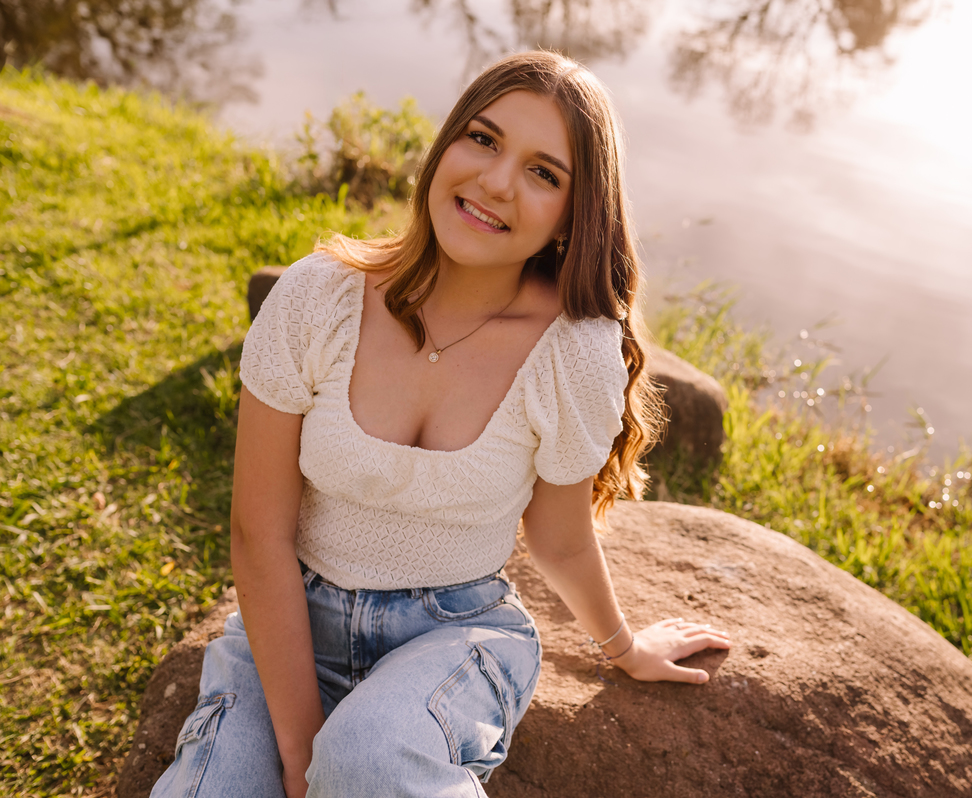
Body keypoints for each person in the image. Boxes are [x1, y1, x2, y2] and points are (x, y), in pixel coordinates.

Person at [150, 50, 731, 798]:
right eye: (484, 140)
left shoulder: (573, 351)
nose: (495, 182)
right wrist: (299, 756)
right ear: (446, 144)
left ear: (571, 216)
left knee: (368, 757)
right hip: (293, 621)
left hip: (453, 635)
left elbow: (557, 534)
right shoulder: (316, 298)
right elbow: (258, 531)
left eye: (543, 173)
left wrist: (623, 647)